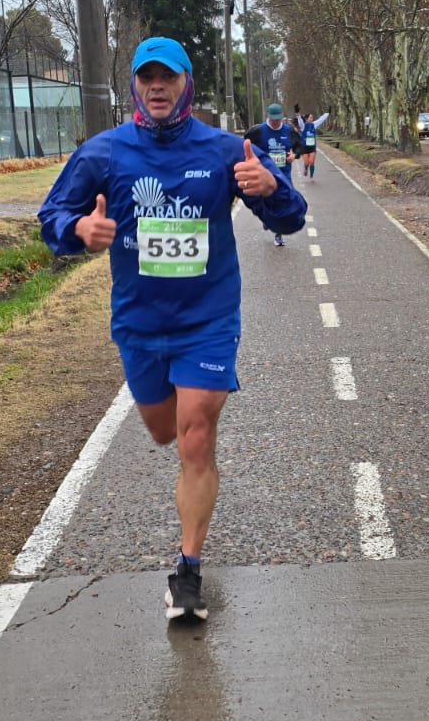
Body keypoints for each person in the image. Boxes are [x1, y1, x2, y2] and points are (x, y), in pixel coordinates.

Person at [37, 37, 307, 622]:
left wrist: (273, 189)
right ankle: (178, 460)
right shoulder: (103, 154)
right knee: (164, 432)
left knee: (196, 435)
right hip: (140, 323)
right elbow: (51, 217)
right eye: (147, 77)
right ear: (135, 85)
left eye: (169, 76)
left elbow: (290, 217)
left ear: (187, 83)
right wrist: (78, 230)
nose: (157, 86)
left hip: (208, 319)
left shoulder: (225, 150)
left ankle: (187, 572)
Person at [243, 104, 303, 246]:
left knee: (283, 200)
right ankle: (267, 219)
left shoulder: (289, 131)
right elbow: (244, 144)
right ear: (268, 117)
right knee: (264, 199)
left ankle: (278, 234)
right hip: (265, 173)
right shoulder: (257, 131)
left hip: (284, 173)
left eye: (278, 119)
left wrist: (294, 155)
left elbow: (300, 146)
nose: (275, 122)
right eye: (273, 119)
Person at [294, 108, 330, 181]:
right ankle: (305, 168)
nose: (312, 119)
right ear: (306, 119)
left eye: (312, 117)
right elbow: (300, 121)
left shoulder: (314, 124)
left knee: (312, 162)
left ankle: (311, 177)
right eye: (310, 117)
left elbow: (321, 119)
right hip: (304, 147)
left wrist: (328, 113)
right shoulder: (303, 126)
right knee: (307, 163)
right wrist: (297, 114)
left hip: (312, 147)